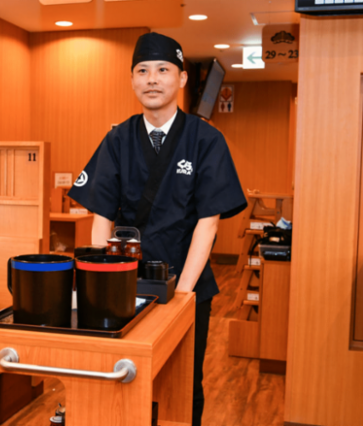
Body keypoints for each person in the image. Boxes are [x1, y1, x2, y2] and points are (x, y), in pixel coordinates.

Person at [68, 32, 247, 425]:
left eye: (163, 70)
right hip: (127, 286)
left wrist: (182, 295)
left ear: (181, 79)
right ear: (132, 80)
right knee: (124, 378)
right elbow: (102, 216)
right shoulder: (117, 139)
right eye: (143, 71)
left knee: (182, 384)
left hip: (186, 284)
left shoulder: (206, 139)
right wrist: (105, 281)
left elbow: (208, 222)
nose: (152, 79)